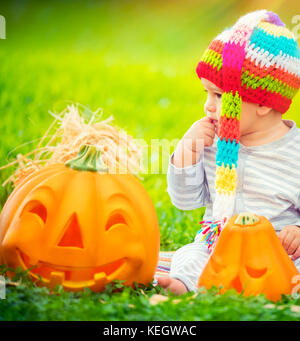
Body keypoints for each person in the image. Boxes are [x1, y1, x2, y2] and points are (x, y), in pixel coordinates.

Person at [157, 9, 300, 295]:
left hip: (279, 253)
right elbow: (185, 201)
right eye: (207, 94)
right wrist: (188, 151)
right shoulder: (212, 142)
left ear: (263, 103)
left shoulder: (294, 152)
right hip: (218, 247)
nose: (208, 106)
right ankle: (182, 285)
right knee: (190, 255)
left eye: (220, 96)